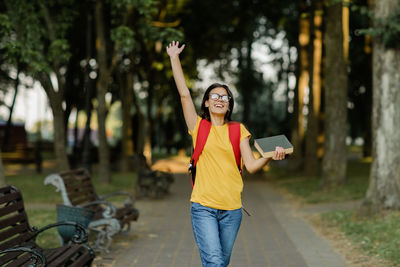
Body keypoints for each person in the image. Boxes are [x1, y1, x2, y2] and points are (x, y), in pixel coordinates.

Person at [166, 41, 286, 267]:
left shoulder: (238, 130)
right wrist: (174, 58)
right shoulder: (198, 126)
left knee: (221, 262)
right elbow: (183, 94)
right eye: (215, 96)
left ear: (229, 105)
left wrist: (270, 155)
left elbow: (250, 166)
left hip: (232, 210)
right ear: (206, 102)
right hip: (203, 208)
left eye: (225, 97)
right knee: (215, 263)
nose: (220, 100)